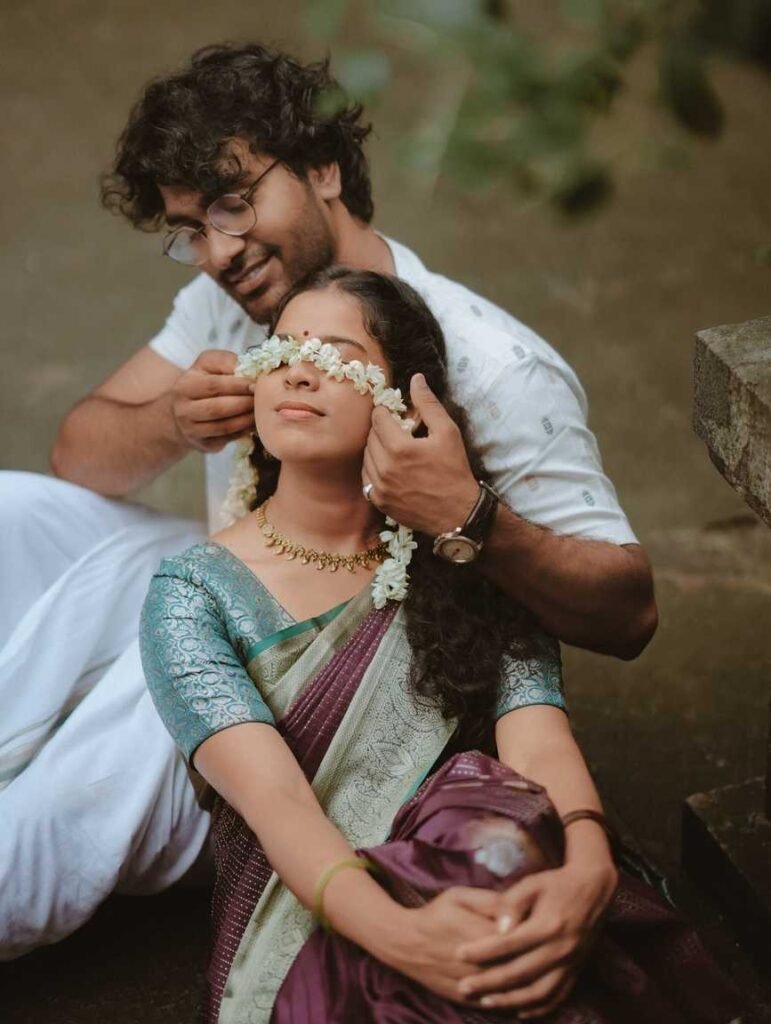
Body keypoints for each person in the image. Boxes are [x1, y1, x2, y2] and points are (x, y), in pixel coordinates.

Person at [0, 42, 656, 958]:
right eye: (190, 227)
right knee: (11, 512)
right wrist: (173, 424)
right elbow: (80, 455)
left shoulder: (496, 373)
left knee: (35, 826)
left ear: (323, 167)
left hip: (304, 662)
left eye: (234, 201)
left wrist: (469, 517)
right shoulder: (231, 296)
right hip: (219, 566)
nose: (217, 251)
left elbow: (630, 612)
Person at [141, 267, 738, 1024]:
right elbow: (278, 803)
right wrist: (407, 936)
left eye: (334, 353)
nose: (296, 368)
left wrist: (588, 868)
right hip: (308, 915)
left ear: (406, 401)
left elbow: (538, 743)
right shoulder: (193, 594)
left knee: (479, 825)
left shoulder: (463, 558)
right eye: (282, 348)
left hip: (488, 875)